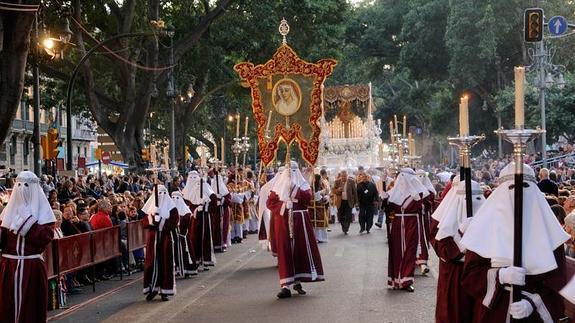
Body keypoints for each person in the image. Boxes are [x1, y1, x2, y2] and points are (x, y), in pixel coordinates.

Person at [460, 163, 569, 321]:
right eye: (511, 188)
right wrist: (500, 276)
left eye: (525, 187)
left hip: (532, 316)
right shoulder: (483, 230)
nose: (518, 196)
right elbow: (470, 276)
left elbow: (557, 282)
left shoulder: (549, 232)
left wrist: (533, 303)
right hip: (494, 312)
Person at [0, 171, 56, 323]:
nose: (22, 189)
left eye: (26, 185)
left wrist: (27, 221)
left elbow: (46, 237)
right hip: (9, 266)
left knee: (30, 308)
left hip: (31, 267)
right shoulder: (7, 212)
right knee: (7, 307)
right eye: (19, 185)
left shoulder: (43, 211)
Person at [430, 177, 484, 323]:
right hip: (456, 275)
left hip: (480, 278)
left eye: (478, 198)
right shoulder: (447, 220)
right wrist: (462, 242)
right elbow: (443, 247)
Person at [267, 161, 324, 298]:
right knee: (285, 251)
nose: (290, 174)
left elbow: (307, 198)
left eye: (293, 171)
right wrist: (283, 205)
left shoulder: (303, 184)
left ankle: (298, 280)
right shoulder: (278, 186)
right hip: (283, 222)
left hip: (300, 221)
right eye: (288, 171)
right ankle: (285, 285)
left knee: (299, 250)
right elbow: (270, 203)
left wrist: (294, 189)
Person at [386, 168, 428, 292]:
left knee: (409, 251)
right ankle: (396, 279)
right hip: (398, 224)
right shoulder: (393, 192)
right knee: (397, 251)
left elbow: (420, 208)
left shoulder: (418, 193)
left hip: (411, 223)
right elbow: (389, 210)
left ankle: (406, 280)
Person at [141, 185, 179, 301]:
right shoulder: (150, 207)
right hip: (153, 239)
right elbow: (144, 222)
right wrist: (152, 219)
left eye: (163, 193)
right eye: (159, 194)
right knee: (151, 263)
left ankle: (164, 291)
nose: (161, 196)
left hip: (165, 238)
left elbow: (174, 221)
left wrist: (162, 221)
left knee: (165, 263)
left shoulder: (172, 207)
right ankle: (152, 288)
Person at [182, 171, 217, 269]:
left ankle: (206, 260)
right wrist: (193, 209)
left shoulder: (202, 185)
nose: (193, 180)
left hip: (204, 217)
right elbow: (184, 203)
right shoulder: (185, 191)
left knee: (204, 236)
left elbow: (213, 199)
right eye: (191, 178)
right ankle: (195, 260)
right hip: (191, 218)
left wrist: (205, 206)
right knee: (193, 237)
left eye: (195, 178)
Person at [171, 191, 197, 277]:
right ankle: (177, 270)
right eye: (173, 198)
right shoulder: (170, 211)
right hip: (173, 237)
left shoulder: (186, 212)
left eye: (177, 198)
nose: (175, 200)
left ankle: (187, 270)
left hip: (183, 237)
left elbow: (186, 224)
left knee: (185, 253)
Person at [416, 170, 437, 274]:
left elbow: (431, 201)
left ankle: (423, 261)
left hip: (424, 217)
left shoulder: (429, 190)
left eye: (422, 176)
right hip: (413, 219)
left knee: (423, 237)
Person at [208, 169, 231, 252]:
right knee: (215, 227)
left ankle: (223, 243)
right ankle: (215, 244)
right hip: (215, 211)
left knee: (223, 227)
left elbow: (229, 200)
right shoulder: (211, 189)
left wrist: (222, 200)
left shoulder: (224, 190)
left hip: (223, 211)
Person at [332, 170, 357, 235]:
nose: (344, 178)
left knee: (348, 216)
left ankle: (346, 228)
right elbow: (333, 190)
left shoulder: (351, 181)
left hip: (349, 201)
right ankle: (343, 226)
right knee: (340, 216)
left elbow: (354, 192)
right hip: (341, 201)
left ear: (347, 176)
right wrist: (338, 190)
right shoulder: (337, 182)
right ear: (341, 176)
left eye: (345, 176)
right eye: (342, 176)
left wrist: (356, 202)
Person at [310, 173, 330, 242]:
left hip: (321, 207)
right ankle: (317, 238)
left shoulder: (321, 186)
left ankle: (322, 238)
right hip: (315, 208)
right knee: (316, 224)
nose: (321, 181)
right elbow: (315, 197)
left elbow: (324, 195)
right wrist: (321, 195)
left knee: (320, 224)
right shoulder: (312, 187)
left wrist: (326, 197)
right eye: (320, 179)